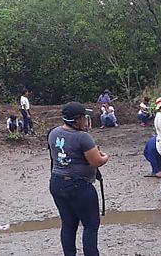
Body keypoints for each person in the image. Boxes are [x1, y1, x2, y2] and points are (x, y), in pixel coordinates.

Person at [48, 102, 109, 256]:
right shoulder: (83, 137)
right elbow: (95, 162)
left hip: (57, 182)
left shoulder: (53, 133)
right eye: (84, 117)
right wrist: (104, 157)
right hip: (79, 185)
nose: (86, 119)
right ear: (78, 119)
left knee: (68, 224)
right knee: (91, 224)